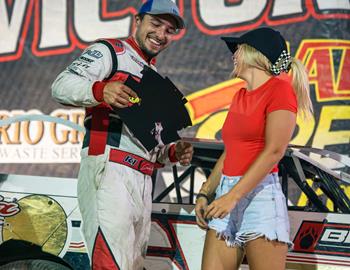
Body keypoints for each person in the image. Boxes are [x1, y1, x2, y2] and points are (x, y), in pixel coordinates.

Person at [51, 0, 193, 269]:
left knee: (131, 265)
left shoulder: (153, 75)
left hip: (142, 179)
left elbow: (149, 140)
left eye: (169, 30)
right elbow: (61, 86)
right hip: (110, 169)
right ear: (137, 21)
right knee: (110, 264)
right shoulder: (110, 51)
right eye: (156, 23)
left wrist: (172, 151)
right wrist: (100, 90)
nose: (162, 34)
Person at [195, 27, 313, 270]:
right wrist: (206, 192)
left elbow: (274, 151)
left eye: (237, 49)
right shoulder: (240, 95)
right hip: (228, 193)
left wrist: (233, 196)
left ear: (253, 54)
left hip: (259, 197)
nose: (233, 55)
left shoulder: (280, 90)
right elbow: (231, 151)